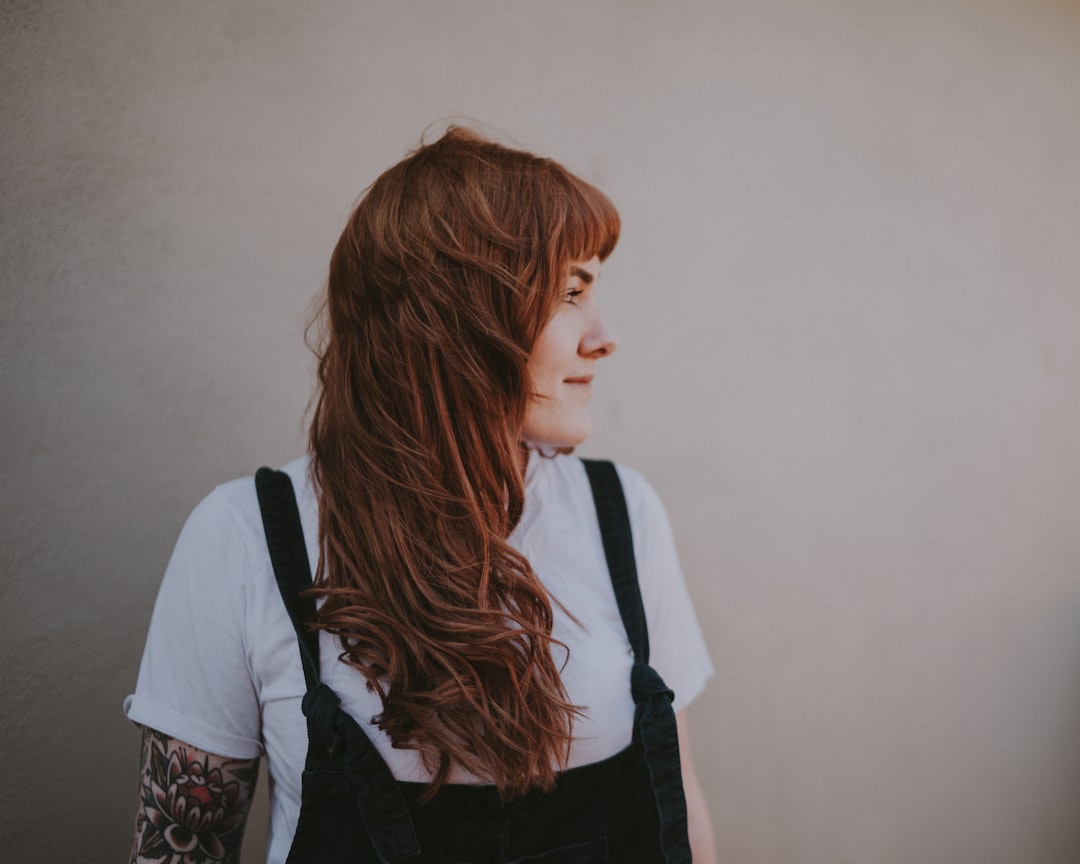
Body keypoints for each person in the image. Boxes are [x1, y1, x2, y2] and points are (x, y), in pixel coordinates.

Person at [126, 127, 716, 864]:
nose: (606, 336)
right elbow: (180, 852)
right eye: (571, 292)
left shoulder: (623, 515)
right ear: (460, 314)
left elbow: (682, 812)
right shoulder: (248, 538)